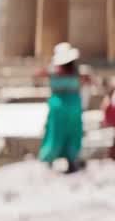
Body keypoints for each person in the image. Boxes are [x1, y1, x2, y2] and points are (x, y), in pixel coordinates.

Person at [37, 42, 86, 173]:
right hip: (74, 106)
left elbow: (38, 74)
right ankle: (72, 160)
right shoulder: (76, 72)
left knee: (55, 133)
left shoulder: (54, 72)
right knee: (73, 134)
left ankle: (49, 159)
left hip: (58, 106)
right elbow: (88, 81)